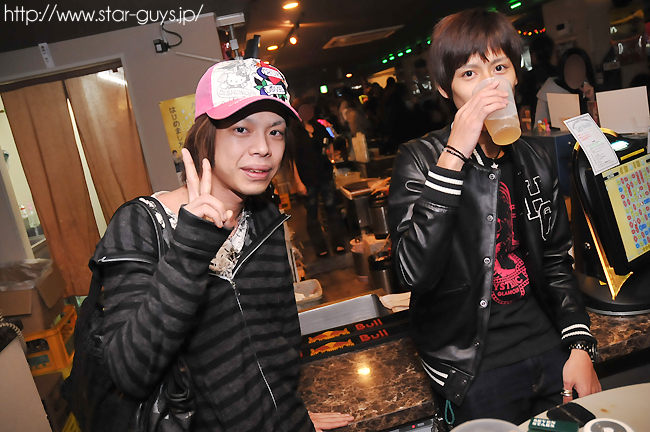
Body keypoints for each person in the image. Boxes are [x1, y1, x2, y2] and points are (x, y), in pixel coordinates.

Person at [91, 59, 353, 432]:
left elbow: (277, 350)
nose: (263, 148)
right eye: (241, 129)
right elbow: (130, 372)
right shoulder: (141, 225)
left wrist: (289, 414)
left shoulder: (264, 218)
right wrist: (189, 248)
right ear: (206, 135)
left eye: (276, 131)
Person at [388, 9, 601, 427]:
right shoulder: (418, 159)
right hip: (473, 370)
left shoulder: (535, 156)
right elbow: (413, 273)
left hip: (549, 350)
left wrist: (579, 345)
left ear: (516, 76)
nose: (490, 85)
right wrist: (454, 154)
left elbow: (556, 261)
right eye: (469, 74)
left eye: (499, 68)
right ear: (444, 89)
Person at [293, 103, 346, 257]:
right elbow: (292, 160)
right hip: (307, 177)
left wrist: (331, 157)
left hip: (324, 173)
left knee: (331, 208)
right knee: (312, 212)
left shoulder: (320, 127)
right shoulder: (295, 133)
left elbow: (331, 142)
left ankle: (338, 243)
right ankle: (320, 247)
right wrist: (297, 182)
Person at [535, 47, 596, 125]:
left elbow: (599, 125)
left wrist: (591, 99)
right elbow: (538, 126)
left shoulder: (589, 90)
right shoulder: (550, 90)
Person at [519, 34, 557, 122]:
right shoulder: (558, 73)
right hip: (558, 119)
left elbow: (525, 103)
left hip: (535, 120)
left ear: (533, 55)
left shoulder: (527, 77)